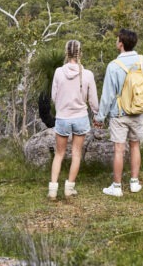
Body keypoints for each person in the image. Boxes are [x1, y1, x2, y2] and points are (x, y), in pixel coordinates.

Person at [94, 28, 143, 197]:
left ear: (121, 44)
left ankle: (117, 186)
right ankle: (134, 183)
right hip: (138, 112)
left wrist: (100, 117)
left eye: (117, 39)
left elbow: (107, 96)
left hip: (119, 113)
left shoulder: (113, 66)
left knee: (119, 149)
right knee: (135, 146)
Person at [48, 39, 99, 200]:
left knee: (59, 154)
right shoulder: (88, 74)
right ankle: (69, 189)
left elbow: (53, 96)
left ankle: (53, 190)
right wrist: (97, 115)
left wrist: (61, 107)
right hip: (80, 117)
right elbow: (93, 100)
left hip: (62, 117)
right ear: (80, 53)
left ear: (66, 53)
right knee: (76, 153)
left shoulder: (58, 72)